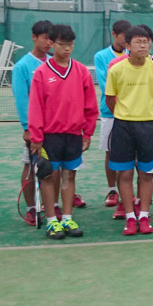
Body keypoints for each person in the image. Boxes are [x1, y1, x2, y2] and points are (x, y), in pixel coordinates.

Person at [27, 24, 98, 239]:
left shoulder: (81, 71)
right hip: (49, 137)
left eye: (70, 45)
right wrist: (37, 137)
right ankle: (51, 221)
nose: (66, 49)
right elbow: (35, 107)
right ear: (51, 44)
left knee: (69, 176)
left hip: (74, 136)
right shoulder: (41, 72)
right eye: (61, 44)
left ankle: (67, 218)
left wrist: (87, 132)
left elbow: (90, 105)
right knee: (48, 176)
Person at [104, 26, 153, 235]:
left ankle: (143, 215)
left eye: (146, 42)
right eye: (138, 42)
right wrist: (126, 114)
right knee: (124, 173)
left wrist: (145, 113)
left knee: (146, 174)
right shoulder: (116, 69)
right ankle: (130, 218)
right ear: (127, 45)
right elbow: (110, 99)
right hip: (123, 127)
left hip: (148, 126)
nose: (143, 46)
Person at [12, 20, 53, 227]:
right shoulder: (22, 67)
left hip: (56, 127)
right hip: (35, 130)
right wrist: (28, 128)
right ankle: (31, 208)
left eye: (51, 39)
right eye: (45, 38)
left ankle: (51, 205)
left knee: (55, 169)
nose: (49, 43)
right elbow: (22, 99)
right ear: (34, 37)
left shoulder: (55, 63)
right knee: (30, 168)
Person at [94, 19, 131, 210]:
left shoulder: (132, 55)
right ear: (114, 34)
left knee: (130, 154)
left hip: (131, 113)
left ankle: (130, 194)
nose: (127, 40)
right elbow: (105, 83)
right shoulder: (101, 57)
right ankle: (112, 190)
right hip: (110, 112)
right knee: (110, 152)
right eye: (124, 36)